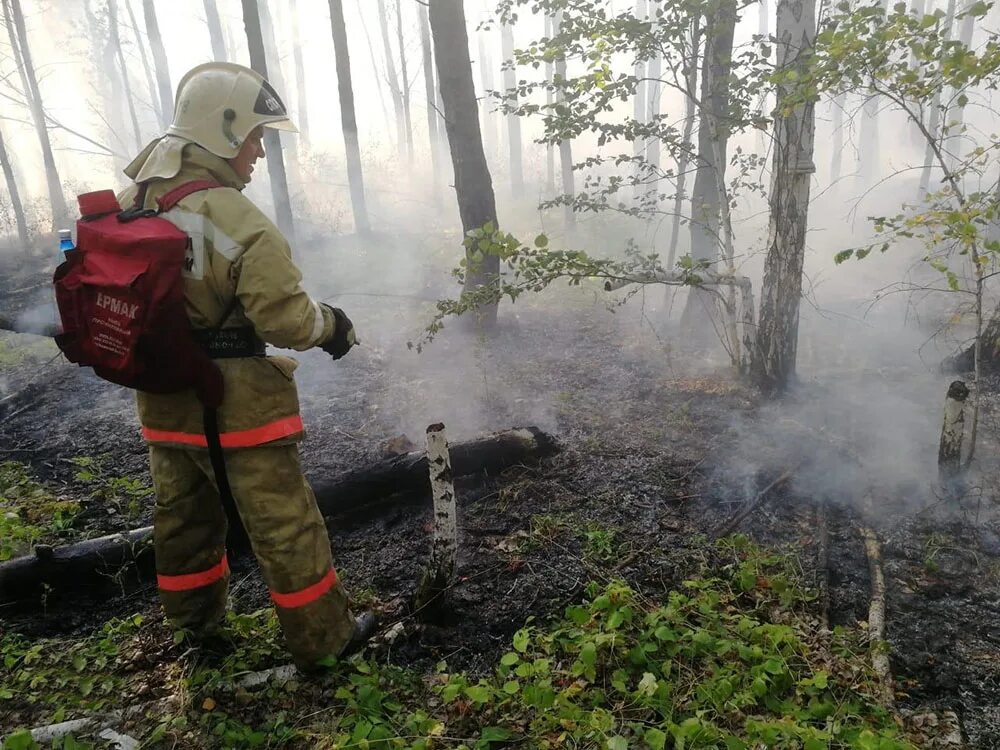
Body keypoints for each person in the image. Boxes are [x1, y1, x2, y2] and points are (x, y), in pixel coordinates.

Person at [118, 62, 375, 671]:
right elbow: (284, 320)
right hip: (236, 408)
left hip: (161, 397)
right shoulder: (235, 218)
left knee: (183, 519)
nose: (260, 152)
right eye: (256, 136)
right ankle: (326, 643)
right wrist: (333, 325)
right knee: (285, 524)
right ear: (224, 131)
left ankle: (195, 632)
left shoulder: (132, 200)